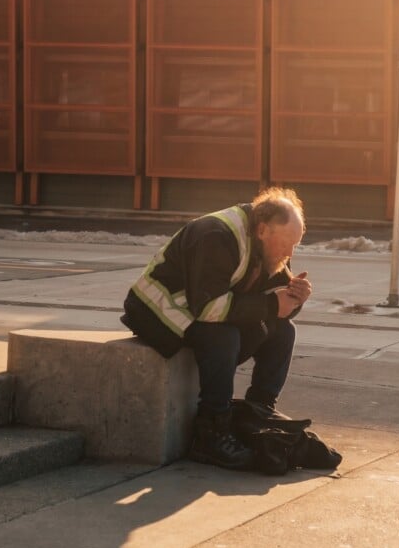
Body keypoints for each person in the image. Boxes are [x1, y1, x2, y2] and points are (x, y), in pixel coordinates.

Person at [121, 186, 312, 470]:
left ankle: (258, 411)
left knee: (284, 331)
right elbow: (209, 308)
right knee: (224, 336)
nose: (290, 252)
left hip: (198, 310)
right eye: (287, 243)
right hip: (158, 313)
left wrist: (295, 298)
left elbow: (274, 300)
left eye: (296, 244)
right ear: (262, 230)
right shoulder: (216, 236)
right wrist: (273, 305)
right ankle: (212, 431)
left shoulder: (268, 243)